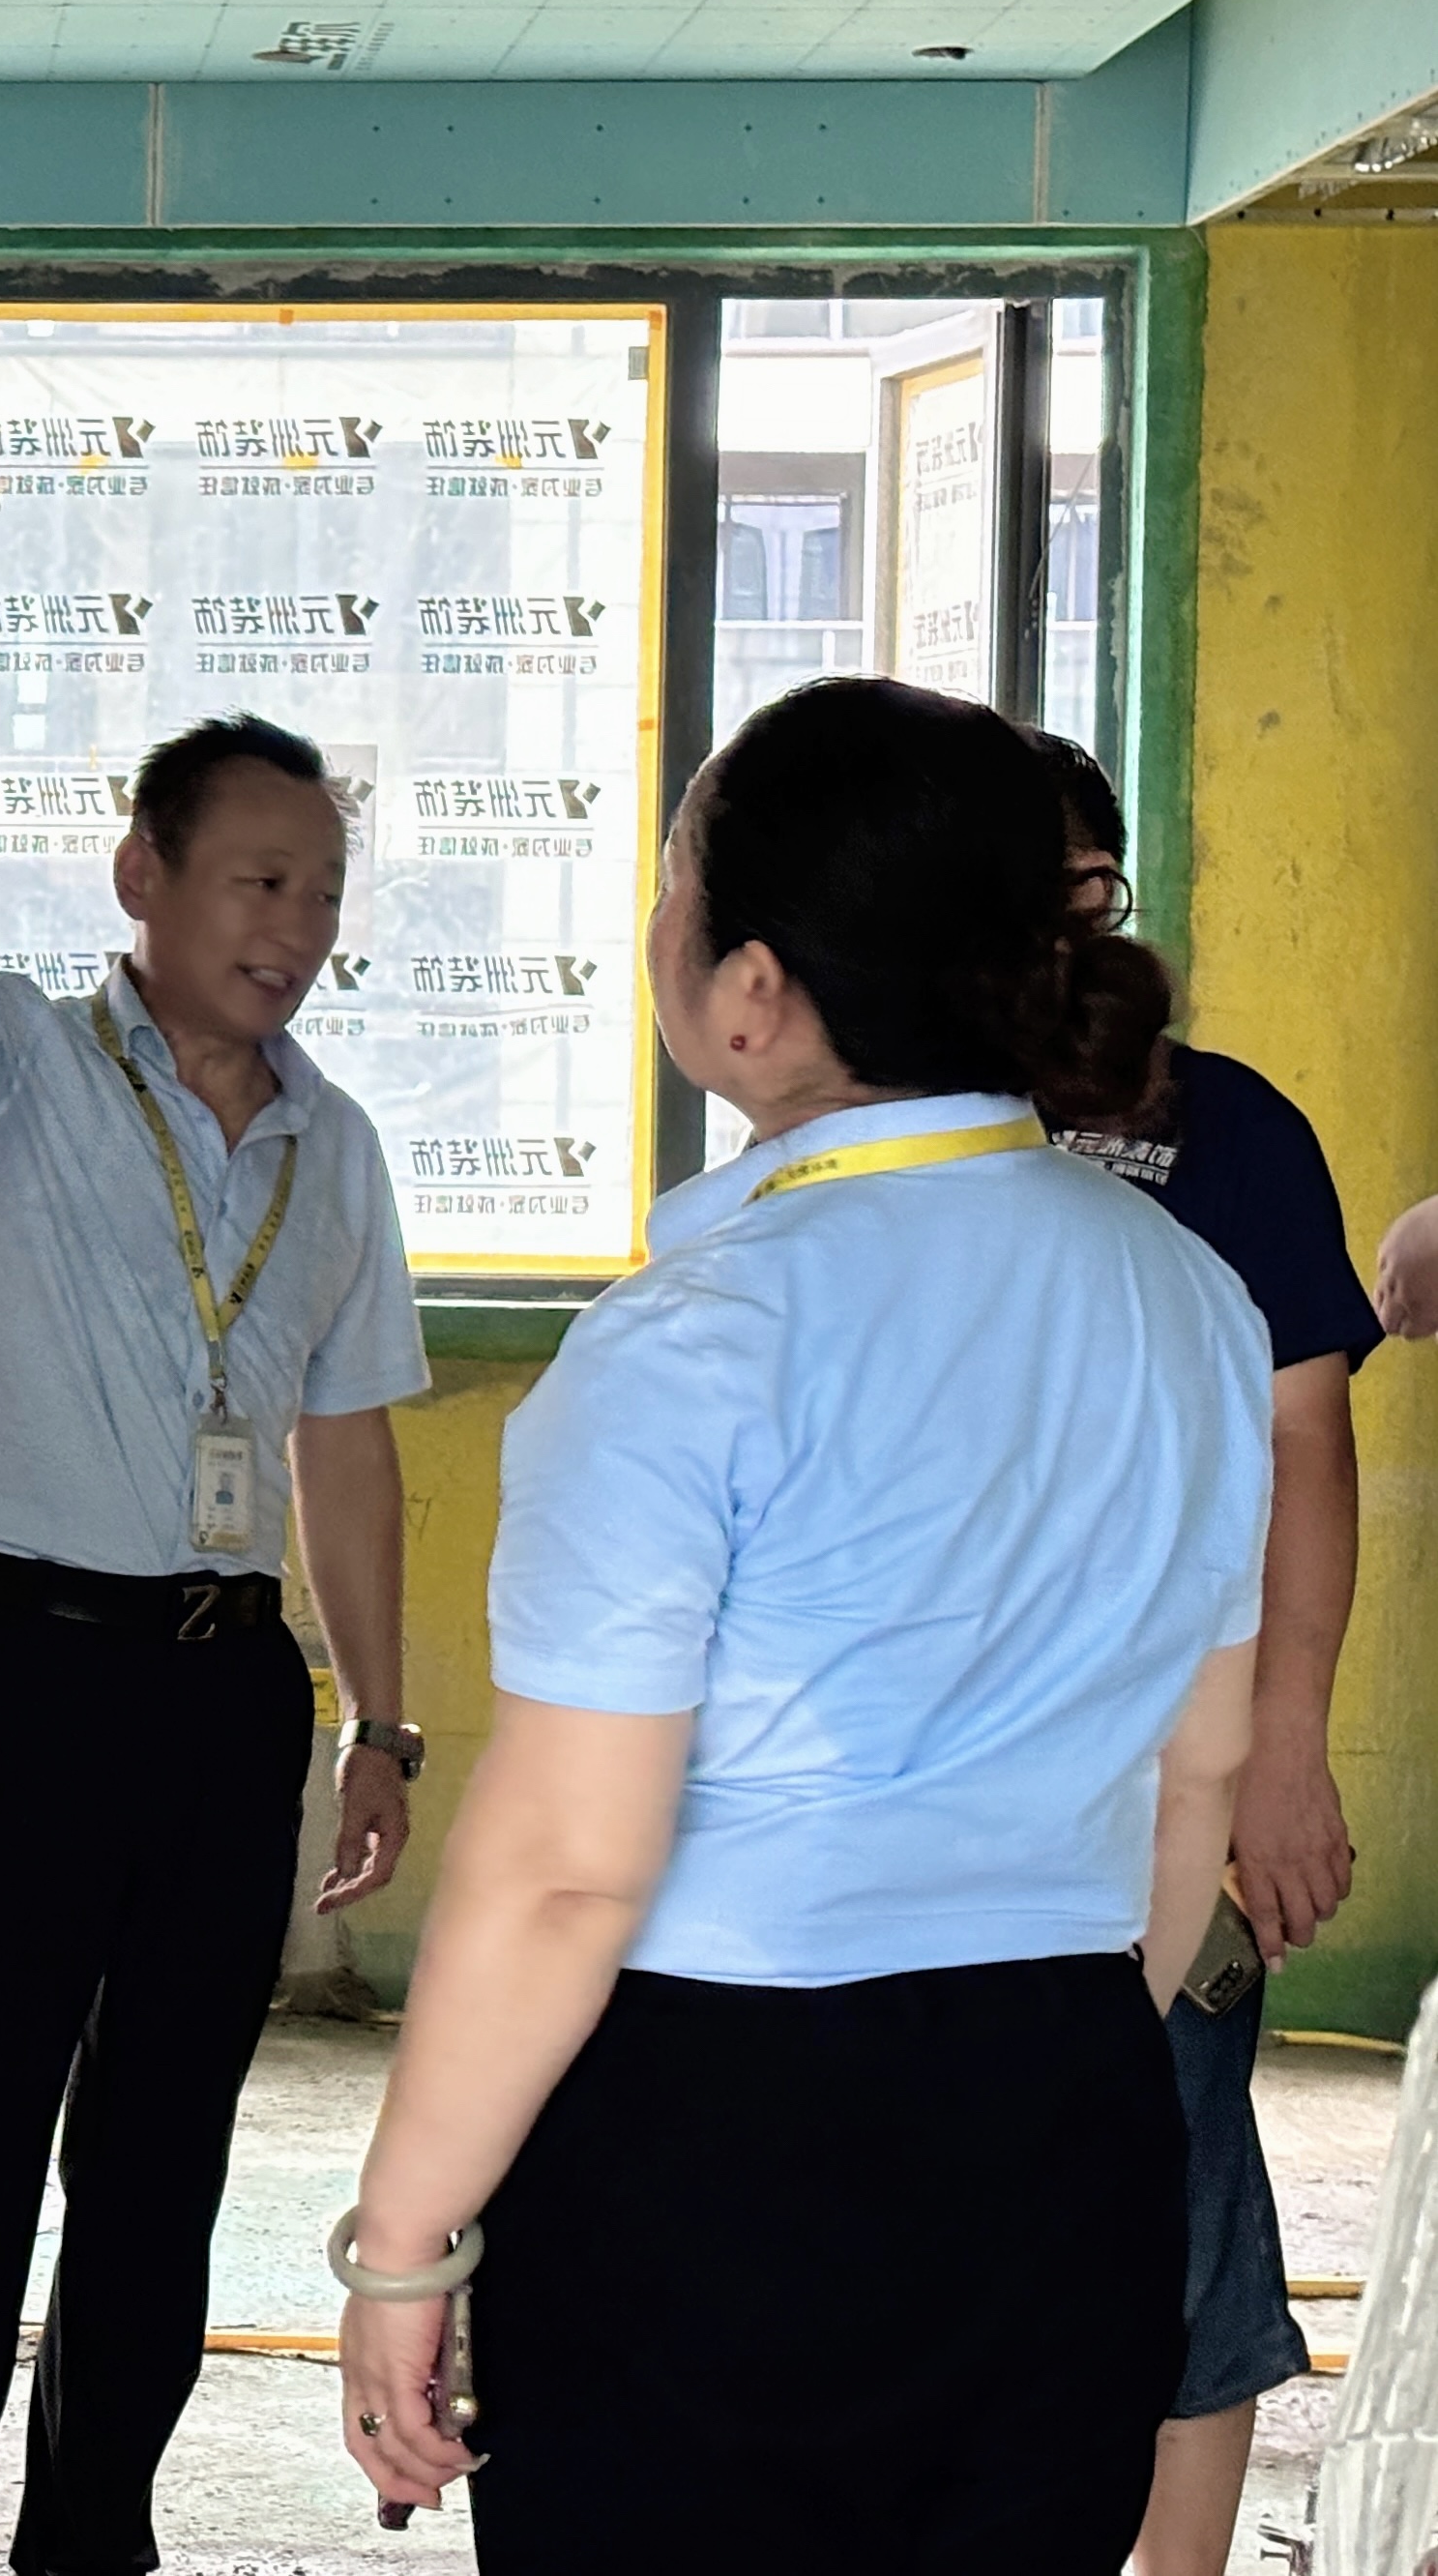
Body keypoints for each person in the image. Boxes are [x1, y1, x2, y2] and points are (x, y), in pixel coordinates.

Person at [336, 677, 1269, 2574]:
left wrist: (404, 2243)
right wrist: (1031, 2063)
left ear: (746, 990)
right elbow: (1201, 1774)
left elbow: (561, 1871)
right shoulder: (1190, 1302)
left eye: (670, 883)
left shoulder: (690, 1337)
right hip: (1065, 2109)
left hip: (715, 2136)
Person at [0, 432, 429, 2574]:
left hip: (217, 1694)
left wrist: (377, 1717)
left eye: (321, 891)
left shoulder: (334, 1146)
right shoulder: (3, 1071)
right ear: (139, 881)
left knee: (160, 2176)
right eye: (257, 881)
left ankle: (93, 2541)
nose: (297, 926)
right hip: (5, 1669)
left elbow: (345, 1444)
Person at [1025, 733, 1374, 2576]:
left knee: (1179, 2210)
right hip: (954, 1796)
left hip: (1179, 1763)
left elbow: (1305, 1442)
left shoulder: (1227, 1128)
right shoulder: (879, 1123)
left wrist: (1285, 1747)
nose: (1067, 925)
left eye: (1092, 888)